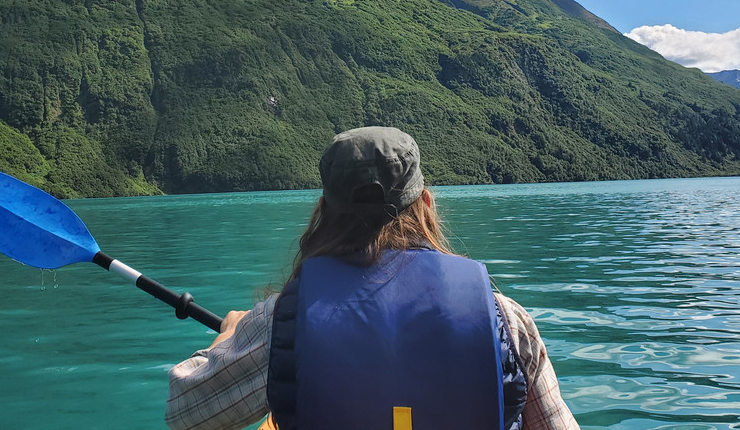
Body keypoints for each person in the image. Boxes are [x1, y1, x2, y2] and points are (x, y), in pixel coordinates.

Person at [166, 126, 580, 430]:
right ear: (426, 202)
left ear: (324, 210)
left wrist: (226, 337)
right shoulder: (504, 317)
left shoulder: (284, 320)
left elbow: (184, 412)